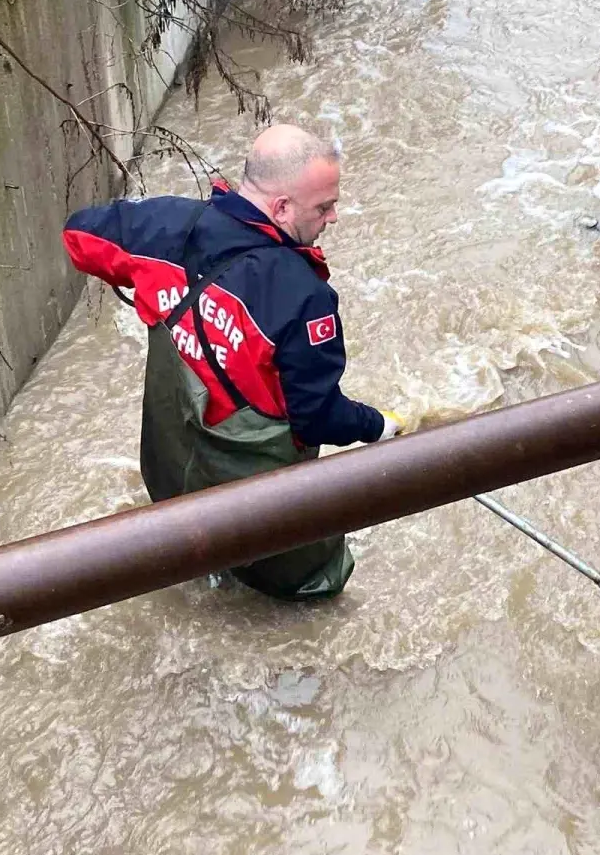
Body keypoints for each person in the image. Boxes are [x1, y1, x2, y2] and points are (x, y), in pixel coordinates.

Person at [62, 124, 401, 601]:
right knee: (315, 591)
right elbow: (318, 417)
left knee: (180, 543)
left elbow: (78, 233)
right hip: (253, 494)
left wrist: (151, 288)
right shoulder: (305, 298)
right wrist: (379, 426)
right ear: (282, 207)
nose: (334, 218)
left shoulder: (166, 226)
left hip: (172, 462)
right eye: (324, 206)